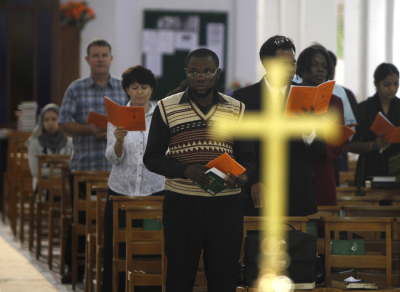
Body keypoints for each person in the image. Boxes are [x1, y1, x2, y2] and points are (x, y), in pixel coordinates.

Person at [143, 48, 255, 292]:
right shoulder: (166, 107)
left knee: (224, 278)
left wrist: (242, 177)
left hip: (225, 206)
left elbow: (248, 158)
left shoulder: (236, 109)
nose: (200, 77)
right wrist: (185, 170)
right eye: (194, 72)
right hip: (182, 205)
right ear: (186, 74)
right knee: (180, 277)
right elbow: (151, 158)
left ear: (217, 74)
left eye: (207, 71)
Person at [58, 39, 127, 283]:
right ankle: (72, 268)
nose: (100, 59)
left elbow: (133, 118)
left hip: (116, 170)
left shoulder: (123, 87)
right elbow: (63, 122)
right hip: (85, 168)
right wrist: (91, 130)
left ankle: (111, 269)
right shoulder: (75, 88)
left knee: (113, 223)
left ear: (111, 58)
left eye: (104, 54)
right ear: (87, 60)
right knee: (81, 219)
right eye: (95, 55)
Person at [232, 35, 325, 216]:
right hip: (259, 191)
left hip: (296, 191)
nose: (291, 69)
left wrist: (309, 131)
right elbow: (238, 147)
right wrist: (253, 181)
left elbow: (319, 151)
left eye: (293, 63)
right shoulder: (244, 98)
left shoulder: (307, 96)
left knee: (298, 244)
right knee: (257, 243)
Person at [101, 66, 165, 292]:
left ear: (152, 89)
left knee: (151, 246)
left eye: (144, 87)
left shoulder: (161, 114)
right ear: (127, 89)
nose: (139, 92)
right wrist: (118, 140)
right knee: (116, 247)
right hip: (121, 192)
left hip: (153, 194)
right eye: (134, 87)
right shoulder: (118, 116)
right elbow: (112, 157)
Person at [296, 47, 349, 206]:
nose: (320, 69)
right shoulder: (291, 97)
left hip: (322, 170)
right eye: (314, 64)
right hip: (294, 169)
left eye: (324, 66)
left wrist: (321, 148)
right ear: (303, 67)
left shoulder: (335, 102)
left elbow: (341, 142)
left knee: (323, 224)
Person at [348, 63, 400, 187]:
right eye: (387, 84)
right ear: (376, 84)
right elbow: (349, 145)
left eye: (396, 84)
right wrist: (374, 145)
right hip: (369, 168)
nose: (392, 88)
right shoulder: (362, 109)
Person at [27, 103, 73, 195]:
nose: (50, 123)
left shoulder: (70, 143)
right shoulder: (34, 144)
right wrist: (62, 172)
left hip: (67, 188)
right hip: (43, 189)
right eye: (46, 120)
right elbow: (35, 171)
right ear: (42, 122)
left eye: (54, 119)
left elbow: (73, 168)